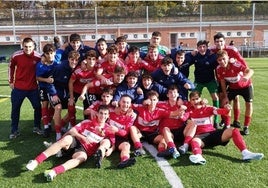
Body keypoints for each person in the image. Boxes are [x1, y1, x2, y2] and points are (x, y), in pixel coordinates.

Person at [26, 105, 115, 181]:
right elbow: (72, 130)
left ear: (108, 116)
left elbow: (111, 142)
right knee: (67, 138)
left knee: (82, 158)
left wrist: (110, 150)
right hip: (75, 141)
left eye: (105, 114)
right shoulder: (87, 122)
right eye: (101, 113)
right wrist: (82, 137)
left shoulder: (109, 129)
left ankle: (54, 172)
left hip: (84, 151)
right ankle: (36, 161)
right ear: (97, 113)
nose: (103, 116)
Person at [184, 91, 263, 165]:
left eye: (197, 98)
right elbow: (182, 107)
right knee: (194, 141)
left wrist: (226, 109)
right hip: (200, 137)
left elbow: (220, 111)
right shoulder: (189, 110)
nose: (195, 101)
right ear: (190, 101)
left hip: (213, 133)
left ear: (201, 99)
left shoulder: (208, 108)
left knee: (233, 130)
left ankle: (245, 153)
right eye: (193, 100)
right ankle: (198, 156)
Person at [210, 32, 248, 128]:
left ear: (224, 41)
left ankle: (236, 120)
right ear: (214, 42)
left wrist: (245, 74)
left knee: (235, 98)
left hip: (232, 77)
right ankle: (224, 119)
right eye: (217, 41)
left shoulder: (232, 49)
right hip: (221, 77)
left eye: (221, 41)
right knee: (222, 97)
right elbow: (202, 50)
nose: (219, 43)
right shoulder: (212, 50)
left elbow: (242, 61)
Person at [129, 90, 183, 156]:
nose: (152, 102)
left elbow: (174, 114)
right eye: (150, 100)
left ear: (157, 100)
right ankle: (139, 147)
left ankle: (162, 151)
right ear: (147, 101)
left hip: (152, 133)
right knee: (132, 128)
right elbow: (129, 105)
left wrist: (182, 108)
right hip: (140, 132)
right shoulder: (141, 107)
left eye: (154, 100)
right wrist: (130, 109)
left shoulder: (160, 111)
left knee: (163, 139)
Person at [8, 37, 42, 139]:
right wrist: (10, 81)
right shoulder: (16, 55)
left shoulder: (38, 56)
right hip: (18, 88)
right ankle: (14, 130)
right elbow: (11, 67)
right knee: (15, 109)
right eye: (26, 47)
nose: (28, 49)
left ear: (34, 46)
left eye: (30, 46)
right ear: (22, 46)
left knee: (37, 107)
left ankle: (36, 127)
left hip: (33, 88)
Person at [216, 50, 254, 135]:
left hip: (246, 86)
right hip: (233, 88)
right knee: (227, 104)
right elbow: (222, 82)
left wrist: (246, 77)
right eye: (219, 60)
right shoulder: (219, 69)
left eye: (223, 59)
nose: (222, 61)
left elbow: (250, 71)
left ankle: (246, 126)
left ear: (228, 58)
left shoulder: (235, 65)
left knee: (249, 104)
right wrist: (225, 96)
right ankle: (228, 125)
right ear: (217, 61)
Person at [47, 51, 80, 141]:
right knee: (58, 107)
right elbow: (50, 81)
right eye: (72, 59)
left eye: (76, 60)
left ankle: (70, 128)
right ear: (68, 59)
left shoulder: (78, 67)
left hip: (68, 92)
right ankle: (58, 134)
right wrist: (53, 94)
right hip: (56, 92)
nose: (74, 62)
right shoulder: (59, 68)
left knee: (72, 107)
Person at [188, 40, 220, 127]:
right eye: (200, 47)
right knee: (193, 97)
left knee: (215, 97)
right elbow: (186, 61)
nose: (202, 49)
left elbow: (220, 63)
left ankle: (216, 120)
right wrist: (190, 53)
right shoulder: (195, 56)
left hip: (210, 80)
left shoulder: (212, 55)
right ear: (197, 48)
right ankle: (193, 117)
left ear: (206, 47)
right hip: (198, 81)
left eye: (204, 47)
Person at [156, 85, 188, 159]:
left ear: (178, 94)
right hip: (168, 132)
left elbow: (194, 104)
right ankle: (173, 149)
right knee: (165, 131)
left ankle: (186, 144)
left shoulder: (183, 104)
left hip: (180, 130)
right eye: (170, 92)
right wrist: (145, 102)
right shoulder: (161, 104)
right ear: (167, 95)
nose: (172, 94)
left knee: (192, 124)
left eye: (174, 92)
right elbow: (151, 103)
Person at [68, 50, 99, 122]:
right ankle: (71, 124)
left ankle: (87, 122)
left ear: (96, 60)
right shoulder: (79, 70)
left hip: (89, 91)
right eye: (89, 59)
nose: (91, 61)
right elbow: (70, 82)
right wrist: (72, 97)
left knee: (89, 107)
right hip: (77, 90)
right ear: (86, 60)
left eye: (93, 59)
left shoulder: (97, 69)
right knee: (70, 105)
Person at [108, 95, 137, 168]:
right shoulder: (110, 111)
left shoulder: (131, 116)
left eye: (128, 103)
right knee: (104, 144)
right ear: (119, 102)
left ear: (130, 105)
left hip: (121, 138)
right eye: (123, 102)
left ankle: (124, 160)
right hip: (108, 136)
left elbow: (125, 133)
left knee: (126, 146)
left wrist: (117, 130)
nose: (125, 104)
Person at [36, 43, 58, 137]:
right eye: (47, 53)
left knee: (53, 105)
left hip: (53, 88)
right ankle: (46, 127)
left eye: (51, 53)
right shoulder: (40, 65)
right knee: (44, 104)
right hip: (43, 87)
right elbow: (37, 77)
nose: (50, 55)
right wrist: (46, 80)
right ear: (44, 54)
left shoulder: (57, 62)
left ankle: (49, 122)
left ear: (55, 53)